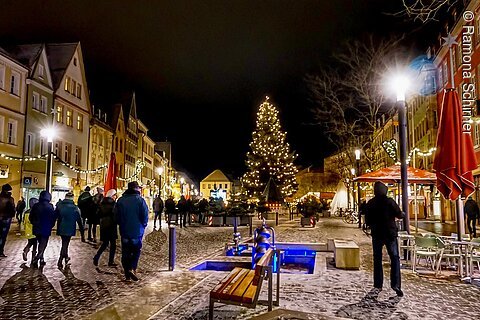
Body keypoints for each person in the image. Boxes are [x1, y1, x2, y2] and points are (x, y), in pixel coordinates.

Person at [364, 181, 405, 297]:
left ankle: (378, 284)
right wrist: (402, 214)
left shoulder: (371, 203)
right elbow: (399, 214)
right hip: (390, 234)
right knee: (395, 258)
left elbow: (367, 220)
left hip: (377, 234)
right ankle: (396, 284)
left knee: (377, 259)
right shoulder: (389, 201)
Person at [115, 181, 148, 281]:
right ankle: (132, 268)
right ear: (136, 188)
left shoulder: (120, 200)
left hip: (124, 230)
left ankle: (127, 273)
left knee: (125, 252)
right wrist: (143, 225)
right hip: (137, 231)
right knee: (136, 250)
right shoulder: (140, 200)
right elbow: (145, 216)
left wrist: (121, 223)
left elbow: (116, 215)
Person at [55, 192, 84, 268]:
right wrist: (82, 231)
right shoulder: (75, 207)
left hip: (61, 227)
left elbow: (55, 216)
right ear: (72, 198)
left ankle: (66, 258)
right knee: (65, 244)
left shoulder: (60, 206)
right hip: (70, 228)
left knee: (65, 243)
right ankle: (60, 260)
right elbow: (79, 220)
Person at [30, 191, 56, 267]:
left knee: (40, 243)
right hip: (46, 227)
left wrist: (34, 223)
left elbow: (31, 217)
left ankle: (41, 258)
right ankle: (38, 257)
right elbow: (53, 218)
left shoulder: (36, 206)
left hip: (37, 227)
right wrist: (51, 225)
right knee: (43, 244)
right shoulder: (50, 206)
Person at [94, 189, 118, 267]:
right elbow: (115, 215)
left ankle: (96, 257)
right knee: (113, 245)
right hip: (111, 225)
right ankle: (110, 261)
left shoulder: (102, 203)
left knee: (105, 243)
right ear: (112, 196)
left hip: (104, 226)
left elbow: (98, 214)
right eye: (115, 195)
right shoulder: (114, 204)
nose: (115, 197)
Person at [0, 184, 15, 257]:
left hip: (1, 217)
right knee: (3, 236)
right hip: (6, 219)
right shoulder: (10, 199)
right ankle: (0, 251)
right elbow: (13, 210)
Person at [22, 197, 39, 263]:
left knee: (30, 242)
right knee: (35, 244)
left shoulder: (26, 212)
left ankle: (25, 251)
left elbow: (24, 221)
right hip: (34, 231)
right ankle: (33, 257)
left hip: (28, 231)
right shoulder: (35, 212)